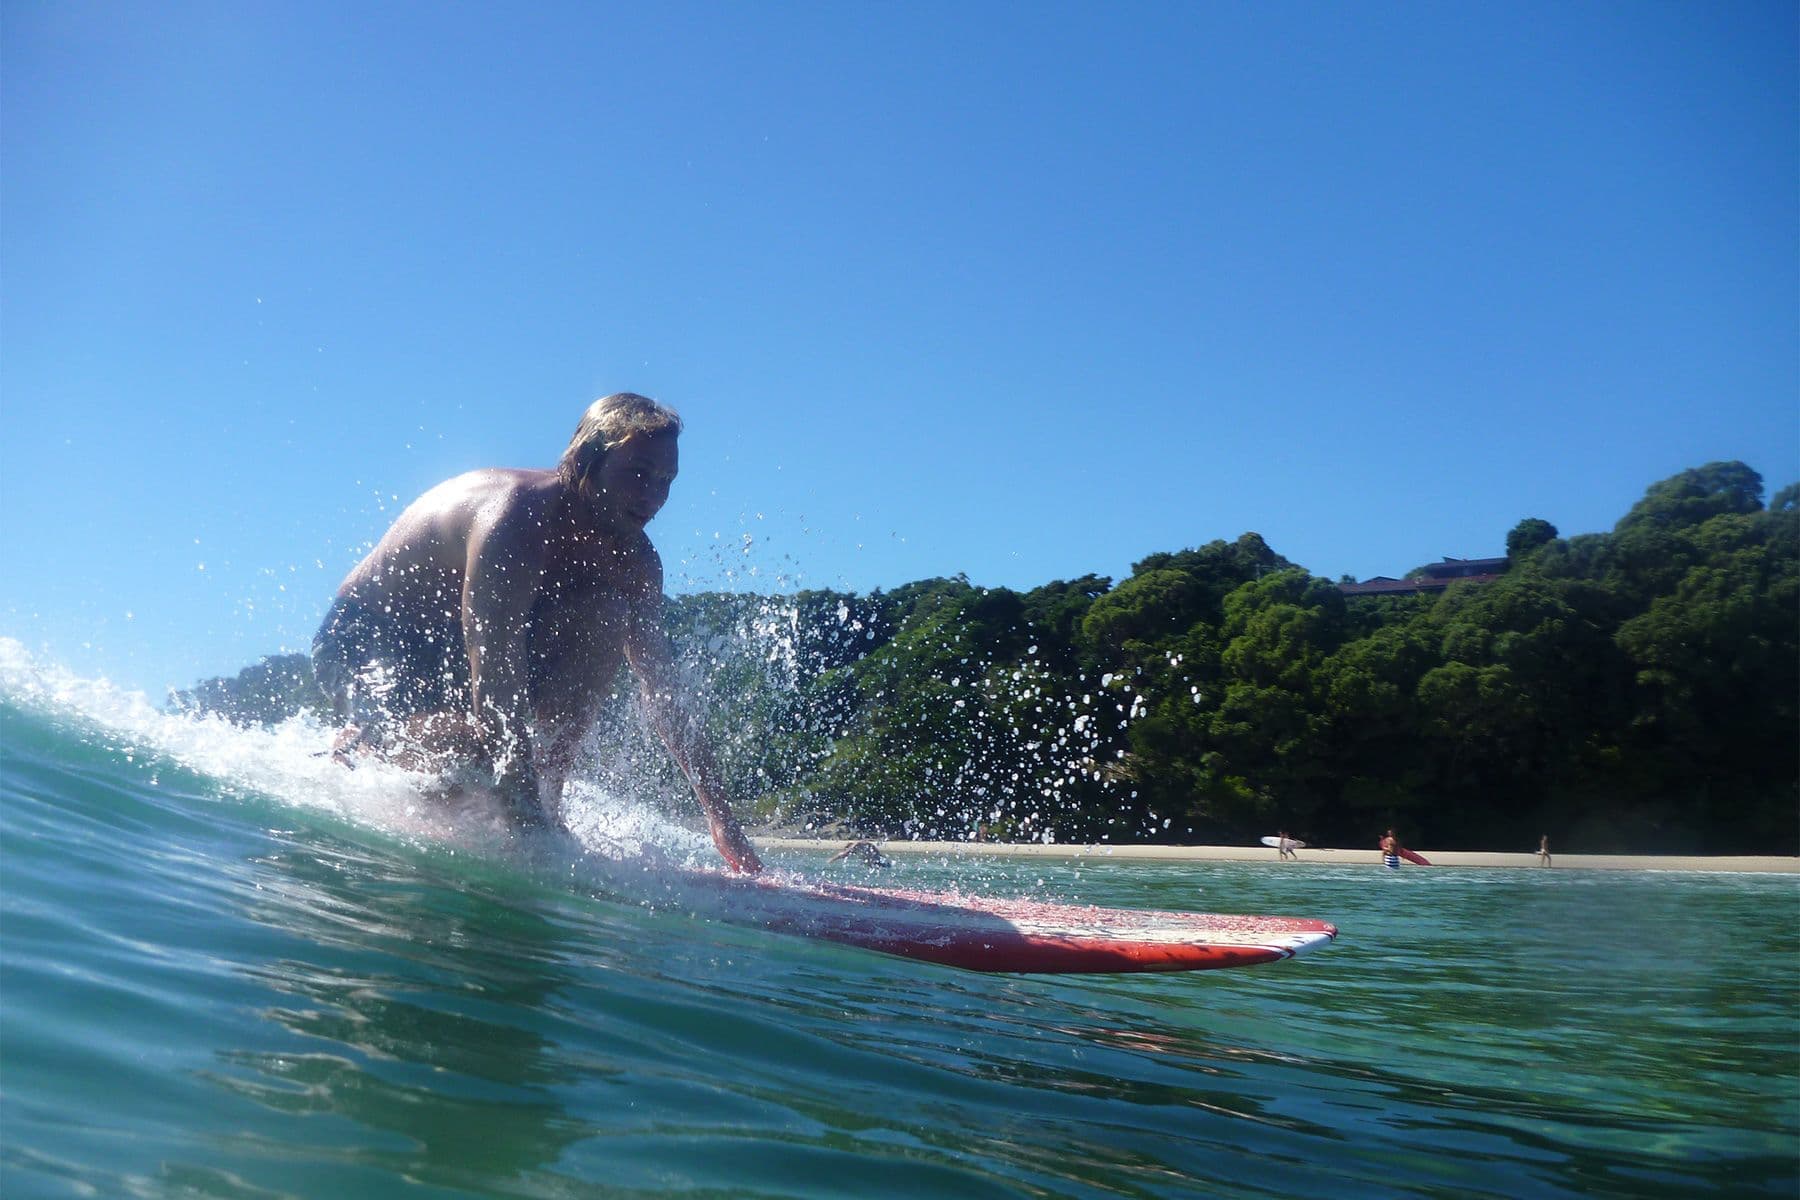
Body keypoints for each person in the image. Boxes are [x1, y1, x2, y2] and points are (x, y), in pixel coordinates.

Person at [311, 392, 762, 874]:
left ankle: (548, 801)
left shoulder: (635, 562)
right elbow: (496, 675)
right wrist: (525, 829)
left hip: (466, 646)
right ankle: (363, 745)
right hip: (374, 638)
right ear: (586, 460)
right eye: (638, 473)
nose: (652, 496)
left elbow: (663, 690)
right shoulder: (516, 518)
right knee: (469, 754)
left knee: (605, 614)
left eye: (665, 481)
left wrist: (722, 820)